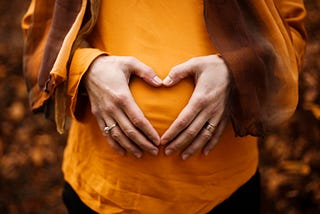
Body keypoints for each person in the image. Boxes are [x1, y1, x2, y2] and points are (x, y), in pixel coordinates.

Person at [21, 0, 306, 213]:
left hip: (222, 193)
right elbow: (41, 29)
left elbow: (289, 33)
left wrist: (236, 71)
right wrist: (86, 70)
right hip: (102, 191)